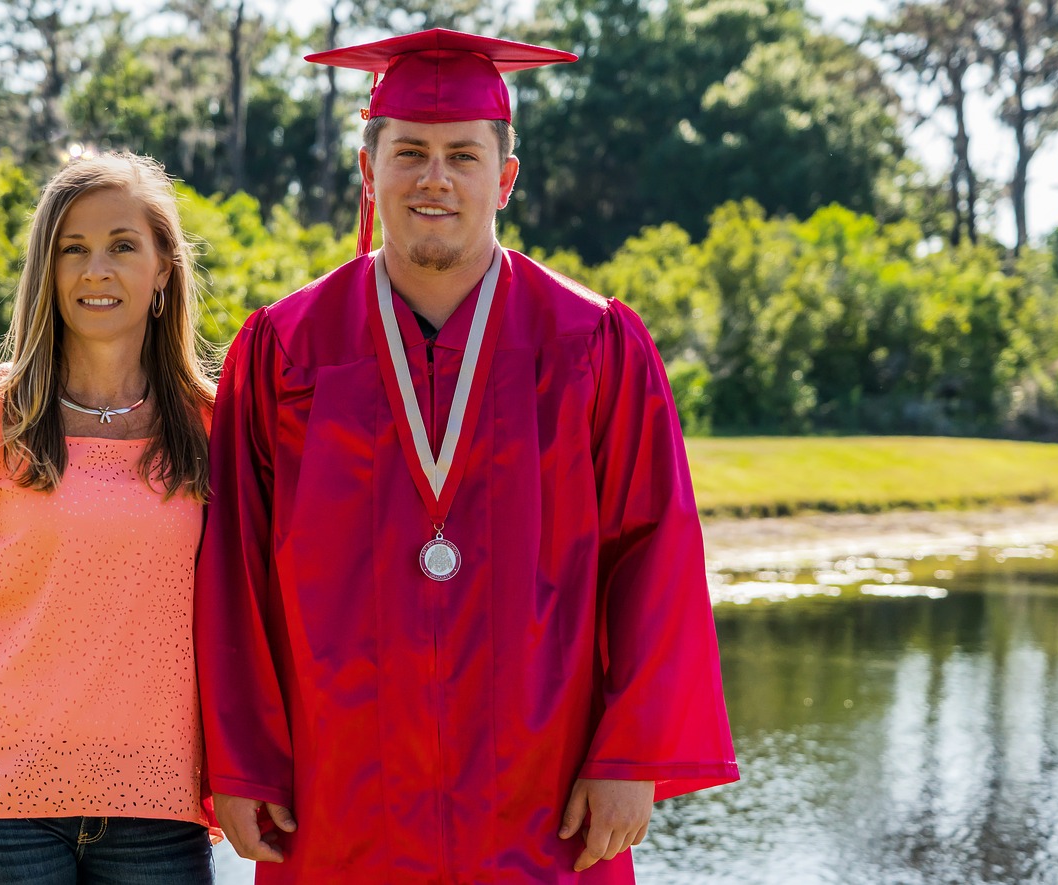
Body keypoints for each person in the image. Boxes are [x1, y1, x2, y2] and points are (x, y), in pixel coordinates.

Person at [194, 28, 739, 883]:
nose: (435, 177)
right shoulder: (286, 349)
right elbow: (233, 568)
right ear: (370, 173)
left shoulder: (590, 342)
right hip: (341, 795)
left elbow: (655, 550)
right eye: (408, 152)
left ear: (506, 177)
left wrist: (631, 755)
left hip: (542, 791)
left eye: (462, 154)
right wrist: (244, 765)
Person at [0, 151, 218, 885]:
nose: (95, 270)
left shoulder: (212, 425)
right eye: (73, 249)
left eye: (122, 245)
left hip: (159, 814)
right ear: (47, 268)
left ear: (164, 267)